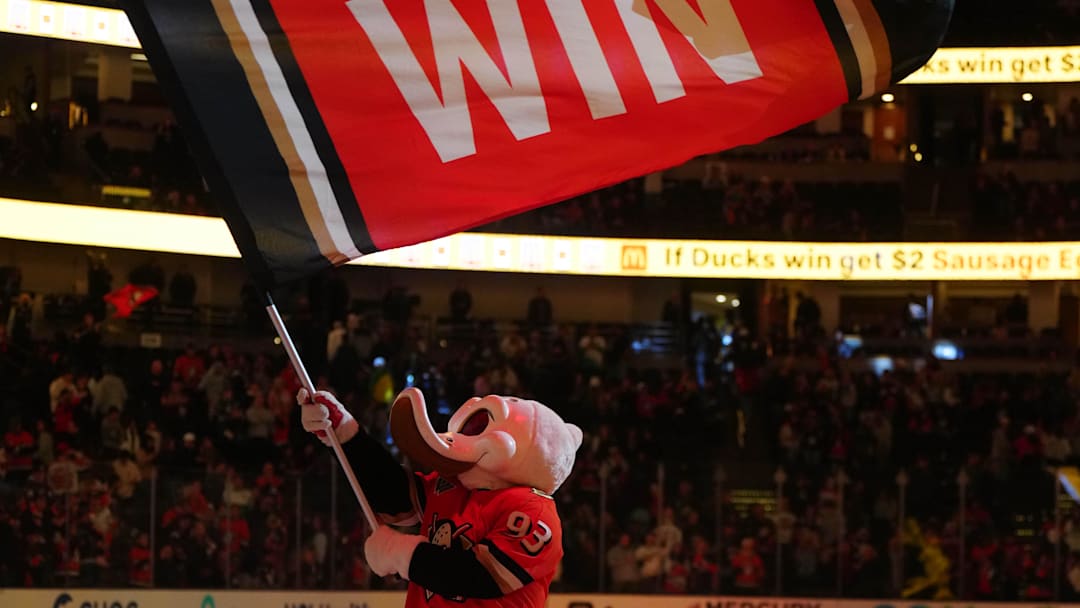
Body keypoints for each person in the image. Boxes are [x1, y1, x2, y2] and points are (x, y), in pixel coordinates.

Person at [298, 386, 581, 607]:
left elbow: (480, 576)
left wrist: (403, 555)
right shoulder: (454, 487)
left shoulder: (532, 508)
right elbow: (396, 497)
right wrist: (345, 435)